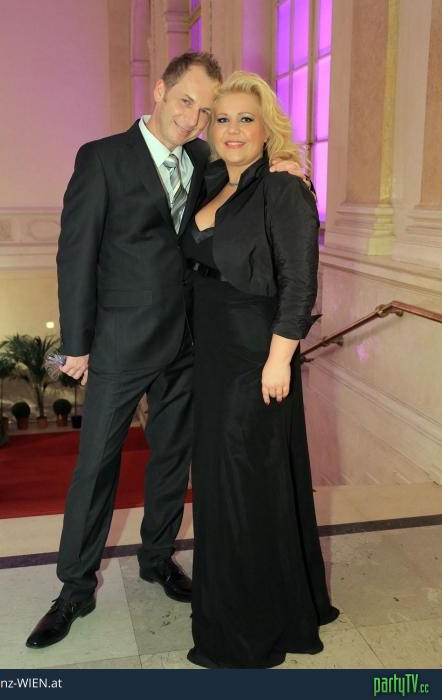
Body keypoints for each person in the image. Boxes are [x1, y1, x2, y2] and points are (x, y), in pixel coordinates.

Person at [26, 53, 303, 649]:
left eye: (205, 111)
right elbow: (75, 253)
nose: (194, 118)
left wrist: (282, 164)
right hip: (121, 342)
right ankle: (74, 588)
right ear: (159, 91)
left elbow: (246, 185)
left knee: (173, 458)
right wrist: (76, 344)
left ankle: (156, 558)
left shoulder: (204, 158)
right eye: (186, 102)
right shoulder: (102, 158)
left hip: (187, 342)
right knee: (96, 466)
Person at [180, 71, 339, 669]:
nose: (233, 130)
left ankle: (247, 629)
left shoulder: (282, 186)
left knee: (244, 486)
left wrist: (279, 360)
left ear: (266, 126)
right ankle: (268, 602)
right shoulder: (214, 179)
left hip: (255, 355)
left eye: (246, 118)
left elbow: (299, 282)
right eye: (222, 119)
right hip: (212, 354)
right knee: (223, 483)